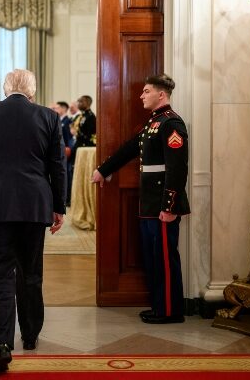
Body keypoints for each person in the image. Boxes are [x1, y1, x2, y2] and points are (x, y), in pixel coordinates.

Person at [0, 69, 66, 373]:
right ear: (32, 91)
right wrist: (59, 207)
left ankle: (1, 345)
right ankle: (30, 335)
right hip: (35, 206)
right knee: (31, 272)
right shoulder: (48, 117)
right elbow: (58, 166)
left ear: (5, 89)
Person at [91, 73, 190, 324]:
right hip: (148, 205)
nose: (141, 95)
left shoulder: (171, 123)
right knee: (153, 258)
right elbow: (129, 148)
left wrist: (170, 207)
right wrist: (104, 169)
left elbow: (177, 170)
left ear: (161, 94)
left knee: (165, 260)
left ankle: (170, 310)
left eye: (146, 91)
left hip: (162, 206)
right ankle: (160, 307)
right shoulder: (153, 123)